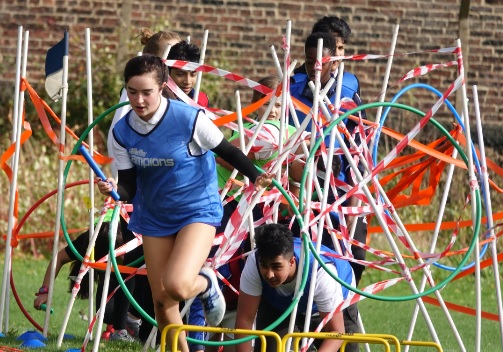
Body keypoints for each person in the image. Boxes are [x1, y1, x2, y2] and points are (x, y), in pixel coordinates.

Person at [97, 54, 273, 352]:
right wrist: (114, 188)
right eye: (132, 92)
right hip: (153, 216)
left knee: (178, 285)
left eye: (146, 92)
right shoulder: (122, 131)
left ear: (162, 87)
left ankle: (205, 283)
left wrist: (256, 176)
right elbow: (130, 185)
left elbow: (228, 151)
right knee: (163, 301)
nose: (139, 100)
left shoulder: (188, 119)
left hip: (196, 211)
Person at [289, 29, 368, 352]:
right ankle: (303, 332)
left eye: (322, 62)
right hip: (300, 192)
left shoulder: (349, 88)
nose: (316, 69)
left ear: (336, 59)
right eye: (309, 62)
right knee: (304, 260)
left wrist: (357, 196)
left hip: (342, 194)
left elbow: (360, 147)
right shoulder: (292, 88)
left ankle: (340, 330)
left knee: (353, 260)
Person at [235, 223, 354, 352]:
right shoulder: (254, 262)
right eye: (264, 265)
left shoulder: (320, 272)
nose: (269, 274)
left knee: (346, 348)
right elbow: (245, 321)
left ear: (291, 261)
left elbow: (336, 332)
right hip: (280, 305)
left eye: (276, 267)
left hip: (336, 302)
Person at [33, 214, 128, 341]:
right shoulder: (90, 240)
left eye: (120, 257)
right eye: (115, 258)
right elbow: (59, 258)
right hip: (107, 275)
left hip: (134, 275)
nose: (119, 260)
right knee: (106, 314)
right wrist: (44, 291)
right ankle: (113, 326)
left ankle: (129, 325)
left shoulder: (132, 237)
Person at [167, 40, 210, 107]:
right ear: (168, 71)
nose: (188, 81)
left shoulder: (202, 100)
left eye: (193, 74)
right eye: (180, 74)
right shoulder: (159, 99)